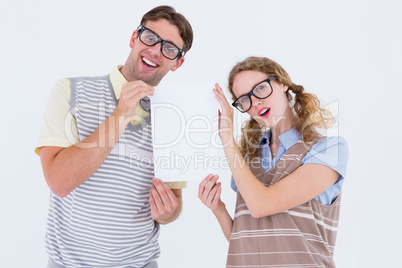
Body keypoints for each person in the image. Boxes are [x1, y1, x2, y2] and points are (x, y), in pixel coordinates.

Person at [35, 5, 193, 268]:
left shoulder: (174, 119)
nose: (155, 50)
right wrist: (120, 115)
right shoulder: (69, 92)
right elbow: (59, 182)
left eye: (169, 48)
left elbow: (174, 204)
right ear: (134, 38)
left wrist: (168, 213)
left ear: (177, 62)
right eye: (150, 37)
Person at [199, 56, 348, 267]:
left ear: (282, 83)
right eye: (244, 99)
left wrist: (226, 138)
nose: (254, 102)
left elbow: (262, 205)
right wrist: (219, 209)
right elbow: (246, 240)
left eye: (260, 88)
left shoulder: (328, 149)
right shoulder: (248, 160)